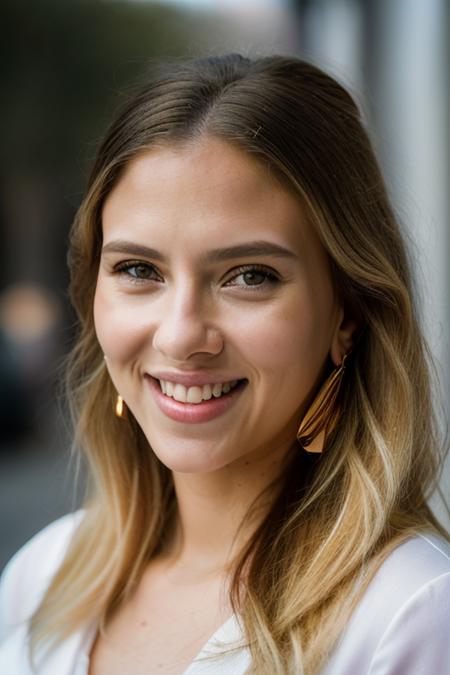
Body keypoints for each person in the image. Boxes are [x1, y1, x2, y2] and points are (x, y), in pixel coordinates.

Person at [0, 54, 449, 675]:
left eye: (250, 276)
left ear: (346, 313)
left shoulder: (412, 613)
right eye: (138, 270)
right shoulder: (42, 578)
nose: (183, 335)